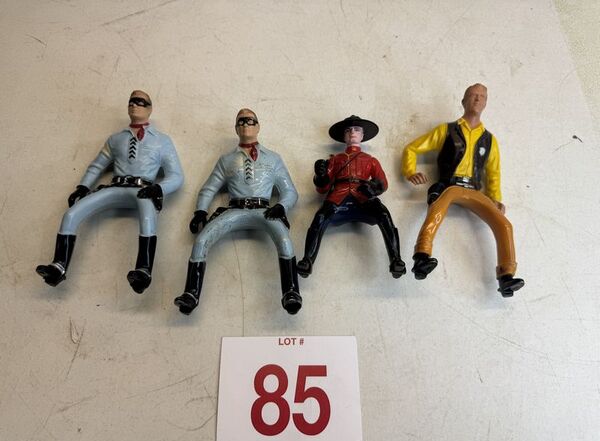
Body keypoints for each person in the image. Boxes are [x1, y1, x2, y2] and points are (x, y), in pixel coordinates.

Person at [36, 90, 184, 294]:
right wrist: (83, 187)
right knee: (71, 214)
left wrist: (158, 188)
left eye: (140, 102)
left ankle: (144, 270)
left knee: (148, 218)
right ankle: (59, 265)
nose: (134, 105)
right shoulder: (115, 139)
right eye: (131, 101)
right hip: (115, 186)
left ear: (150, 108)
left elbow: (176, 175)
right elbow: (98, 165)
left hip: (143, 190)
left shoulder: (162, 140)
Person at [174, 108, 302, 315]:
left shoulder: (273, 159)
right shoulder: (226, 160)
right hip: (235, 209)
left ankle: (291, 291)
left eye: (250, 121)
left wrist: (281, 206)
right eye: (241, 122)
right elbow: (209, 188)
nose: (245, 125)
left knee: (284, 239)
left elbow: (290, 191)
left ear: (258, 126)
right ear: (235, 128)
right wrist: (200, 211)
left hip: (265, 210)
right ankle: (191, 293)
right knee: (202, 240)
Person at [401, 83, 524, 297]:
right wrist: (410, 171)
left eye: (482, 96)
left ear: (486, 103)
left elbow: (493, 172)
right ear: (464, 100)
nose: (477, 99)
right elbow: (412, 148)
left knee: (504, 224)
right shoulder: (446, 130)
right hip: (450, 185)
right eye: (473, 95)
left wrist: (495, 198)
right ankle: (422, 256)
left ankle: (506, 276)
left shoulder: (489, 140)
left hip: (474, 191)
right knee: (438, 208)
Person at [297, 115, 406, 279]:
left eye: (356, 130)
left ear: (362, 135)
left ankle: (396, 259)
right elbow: (322, 189)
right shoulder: (335, 160)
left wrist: (372, 188)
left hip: (363, 196)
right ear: (344, 136)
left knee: (384, 214)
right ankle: (307, 260)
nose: (352, 132)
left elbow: (383, 183)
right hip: (338, 195)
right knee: (320, 216)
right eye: (348, 130)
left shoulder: (370, 160)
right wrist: (320, 175)